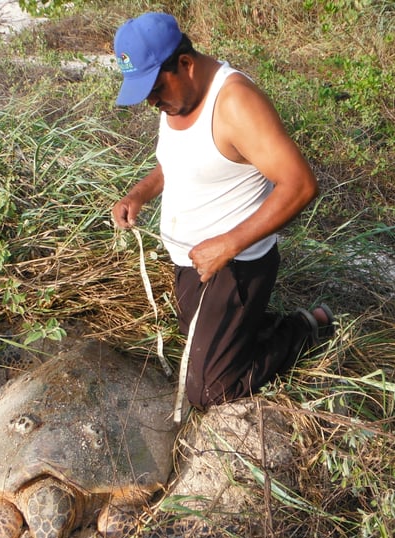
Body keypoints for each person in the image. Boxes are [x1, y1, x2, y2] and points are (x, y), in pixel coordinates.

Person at [110, 12, 332, 410]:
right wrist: (139, 194)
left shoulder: (234, 104)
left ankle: (302, 328)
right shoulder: (176, 102)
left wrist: (228, 245)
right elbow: (177, 160)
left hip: (236, 266)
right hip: (193, 262)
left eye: (156, 88)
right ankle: (248, 330)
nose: (153, 102)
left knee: (209, 390)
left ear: (185, 64)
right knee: (202, 348)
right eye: (145, 94)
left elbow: (300, 185)